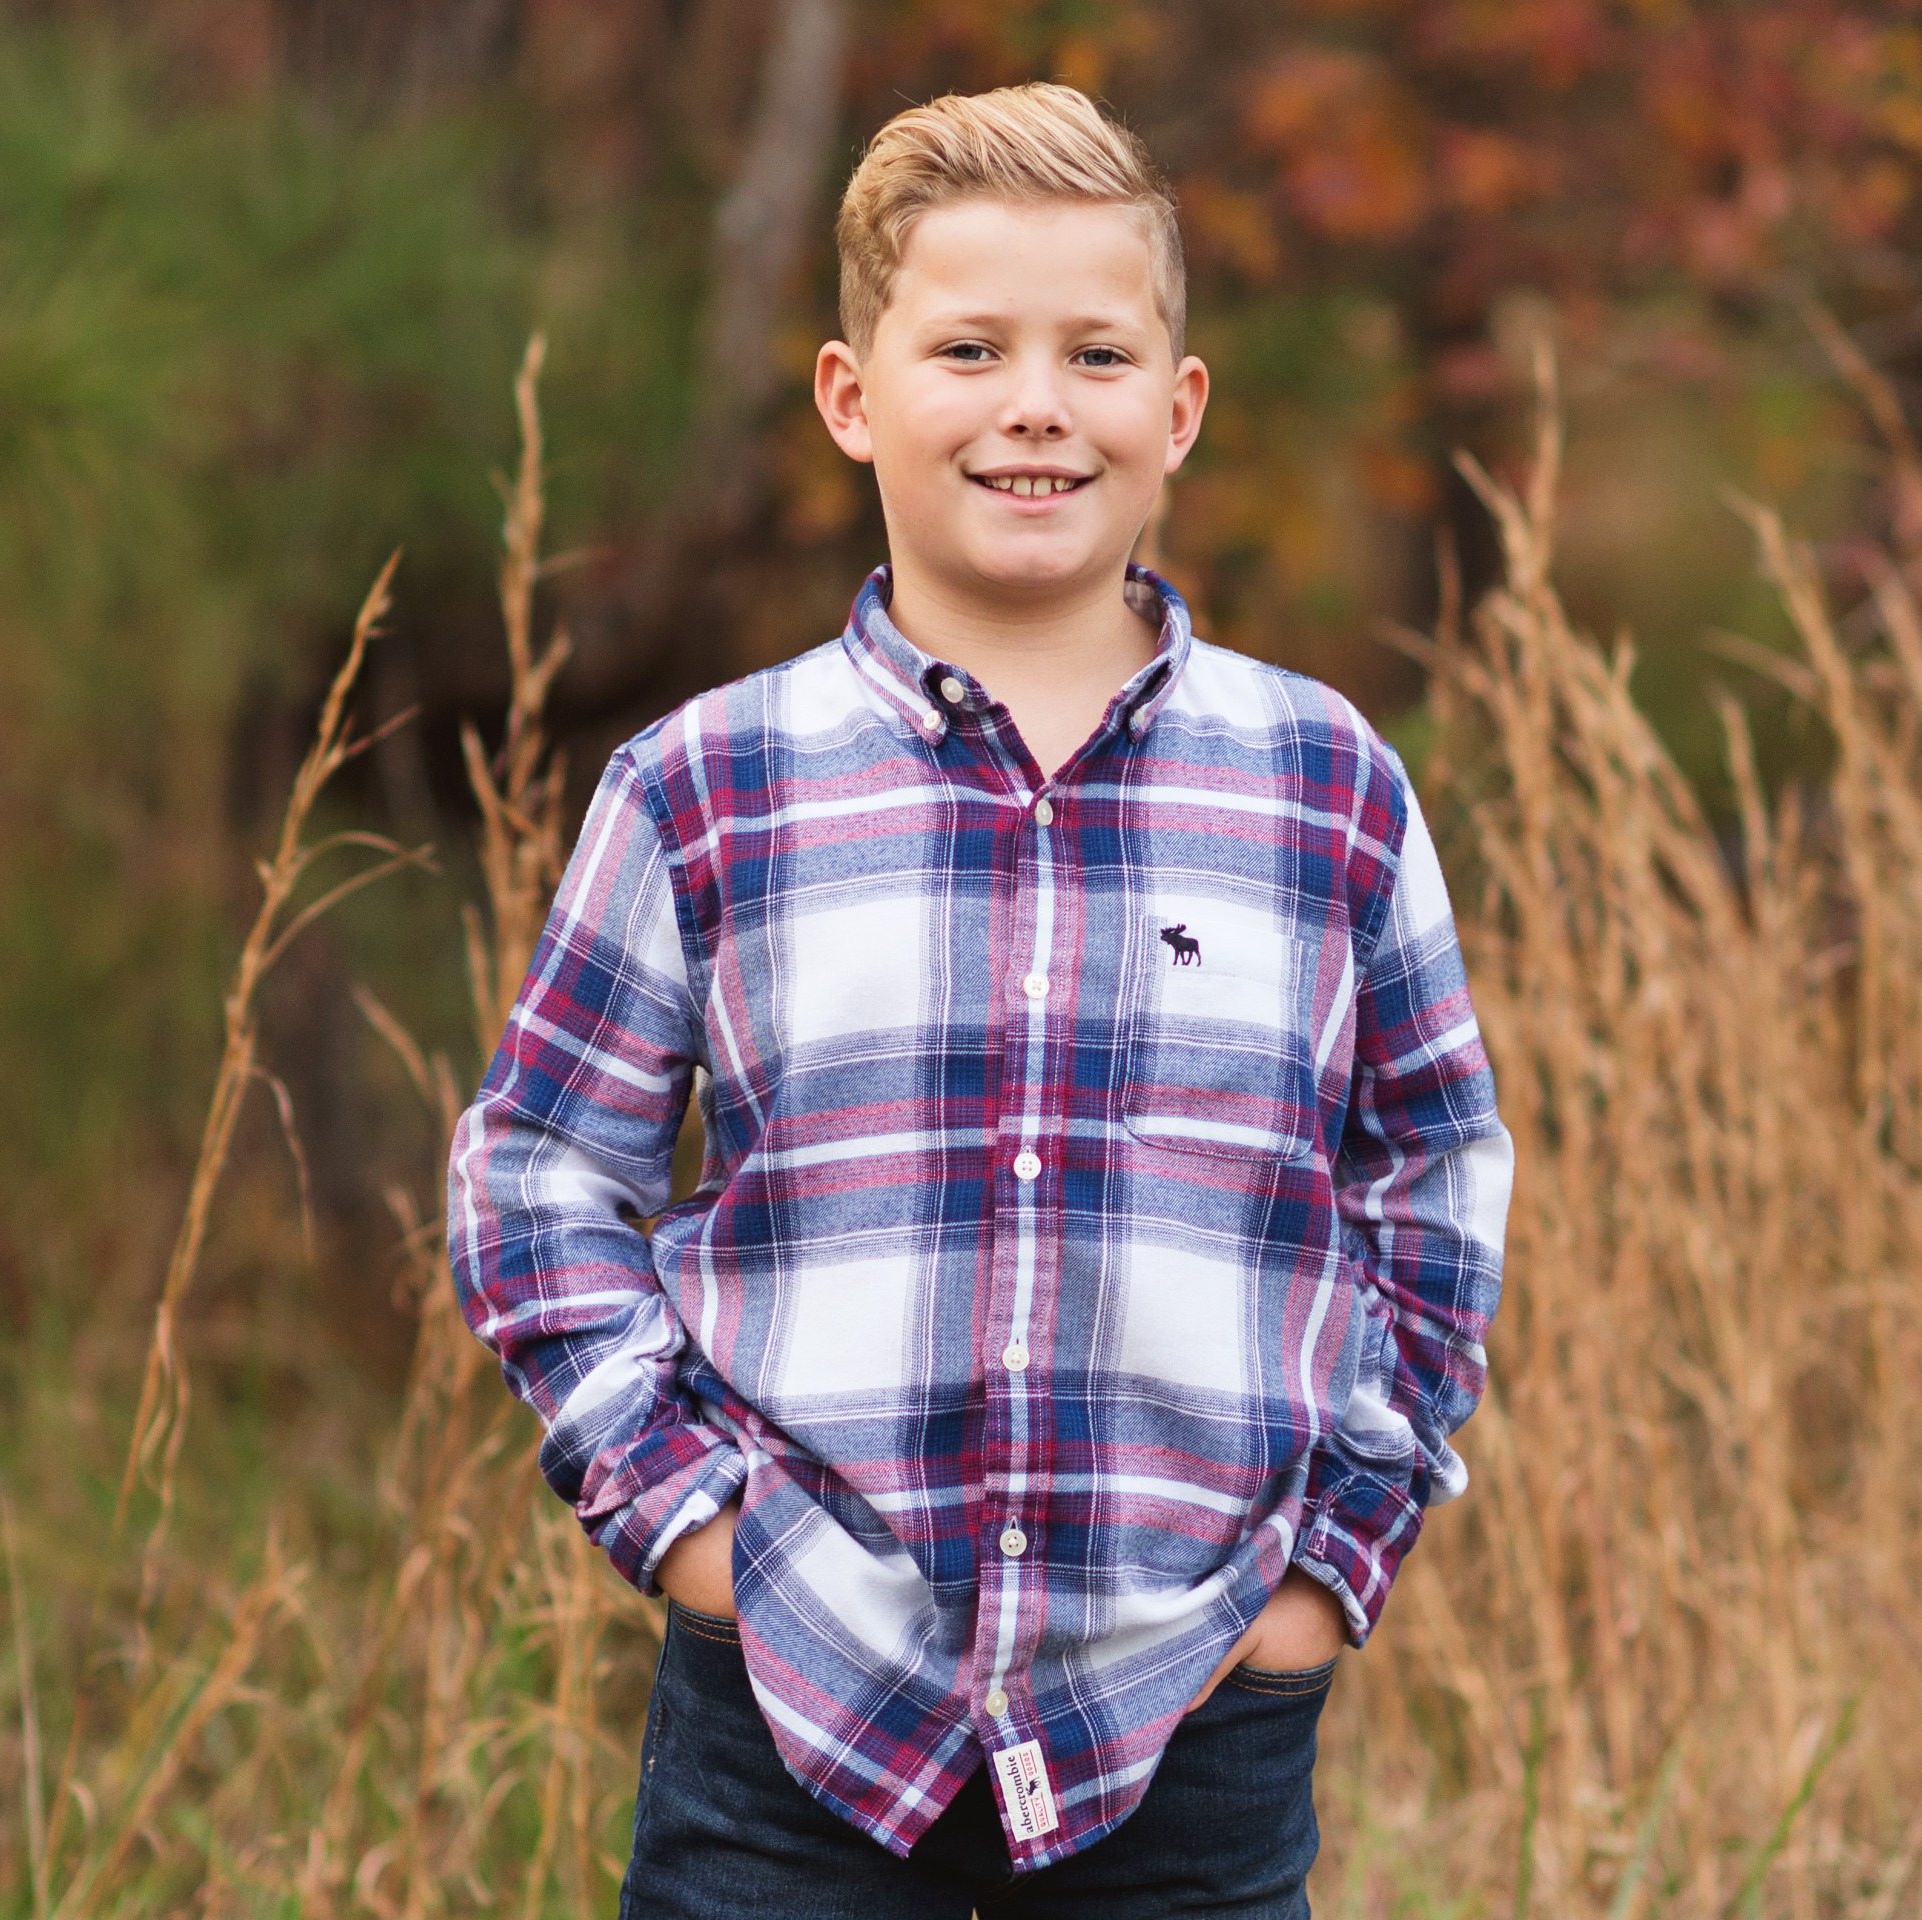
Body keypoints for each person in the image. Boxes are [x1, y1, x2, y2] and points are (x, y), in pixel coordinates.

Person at [447, 80, 1512, 1919]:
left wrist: (1328, 1566)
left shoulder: (1322, 784)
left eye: (1097, 353)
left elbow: (1434, 1175)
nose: (1036, 403)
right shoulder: (707, 788)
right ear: (852, 397)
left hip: (1192, 1728)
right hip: (791, 1730)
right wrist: (691, 1529)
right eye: (969, 349)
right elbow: (538, 1176)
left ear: (1178, 410)